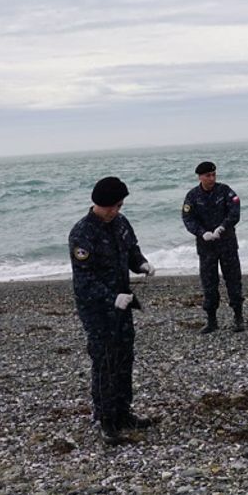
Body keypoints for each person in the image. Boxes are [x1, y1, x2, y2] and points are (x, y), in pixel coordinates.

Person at [69, 176, 156, 444]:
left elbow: (132, 251)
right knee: (104, 361)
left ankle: (123, 412)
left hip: (124, 303)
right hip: (97, 309)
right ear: (101, 204)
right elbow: (84, 280)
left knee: (125, 357)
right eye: (113, 206)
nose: (116, 211)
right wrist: (110, 297)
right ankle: (105, 419)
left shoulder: (121, 223)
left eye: (120, 206)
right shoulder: (82, 233)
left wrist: (141, 264)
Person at [182, 161, 244, 333]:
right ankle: (211, 321)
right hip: (206, 247)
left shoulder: (225, 191)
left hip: (227, 243)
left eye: (213, 175)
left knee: (233, 280)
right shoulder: (192, 196)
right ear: (200, 177)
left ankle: (238, 317)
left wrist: (223, 227)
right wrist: (202, 233)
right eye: (208, 175)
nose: (211, 178)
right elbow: (188, 218)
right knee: (209, 284)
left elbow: (235, 211)